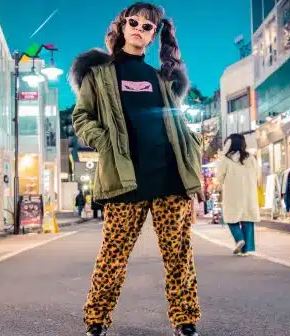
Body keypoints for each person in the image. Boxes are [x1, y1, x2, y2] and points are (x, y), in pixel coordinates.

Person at [70, 3, 203, 335]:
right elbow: (81, 117)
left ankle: (185, 321)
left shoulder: (161, 77)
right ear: (122, 25)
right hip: (124, 179)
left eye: (148, 27)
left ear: (154, 35)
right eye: (134, 22)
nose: (139, 29)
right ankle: (96, 321)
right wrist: (104, 142)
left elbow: (176, 123)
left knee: (179, 256)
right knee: (113, 256)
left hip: (170, 177)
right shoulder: (99, 75)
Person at [216, 134, 260, 256]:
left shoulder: (226, 159)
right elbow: (257, 174)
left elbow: (219, 176)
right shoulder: (250, 158)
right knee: (247, 218)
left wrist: (220, 184)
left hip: (232, 193)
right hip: (249, 193)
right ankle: (246, 249)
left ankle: (239, 238)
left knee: (230, 217)